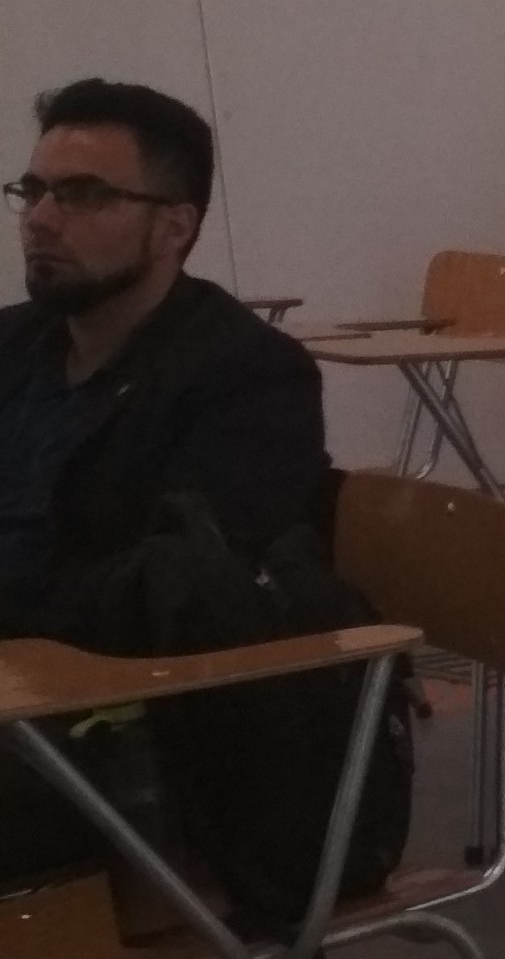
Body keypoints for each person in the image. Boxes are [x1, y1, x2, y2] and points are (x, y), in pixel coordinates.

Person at [0, 79, 327, 647]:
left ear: (174, 228)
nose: (40, 220)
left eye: (84, 194)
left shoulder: (252, 377)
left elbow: (176, 590)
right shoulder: (13, 341)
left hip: (108, 682)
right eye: (33, 191)